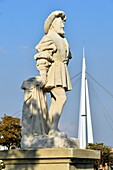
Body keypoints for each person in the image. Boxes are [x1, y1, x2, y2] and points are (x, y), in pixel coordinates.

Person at [34, 10, 72, 137]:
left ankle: (52, 128)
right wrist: (43, 74)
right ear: (53, 24)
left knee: (57, 99)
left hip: (61, 71)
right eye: (60, 22)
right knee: (61, 97)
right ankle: (52, 128)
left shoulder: (63, 40)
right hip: (53, 72)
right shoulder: (49, 38)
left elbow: (68, 57)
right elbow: (42, 56)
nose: (62, 25)